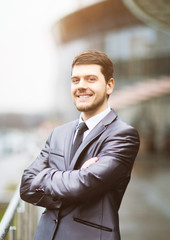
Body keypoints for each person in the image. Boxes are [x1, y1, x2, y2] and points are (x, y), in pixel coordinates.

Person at [20, 50, 140, 240]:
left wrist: (44, 178)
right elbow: (26, 186)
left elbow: (82, 185)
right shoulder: (58, 133)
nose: (81, 86)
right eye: (76, 80)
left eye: (90, 79)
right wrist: (72, 183)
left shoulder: (123, 135)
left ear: (109, 86)